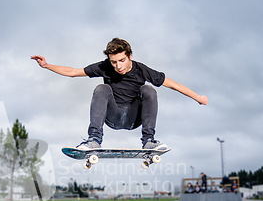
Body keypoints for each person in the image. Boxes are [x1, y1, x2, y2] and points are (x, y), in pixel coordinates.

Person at [31, 38, 208, 150]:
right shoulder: (104, 67)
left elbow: (174, 85)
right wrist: (47, 65)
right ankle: (94, 140)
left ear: (130, 55)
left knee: (148, 90)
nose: (118, 66)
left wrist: (198, 98)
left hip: (133, 119)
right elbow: (72, 72)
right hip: (113, 117)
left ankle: (148, 141)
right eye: (114, 62)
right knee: (102, 88)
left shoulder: (141, 70)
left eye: (122, 60)